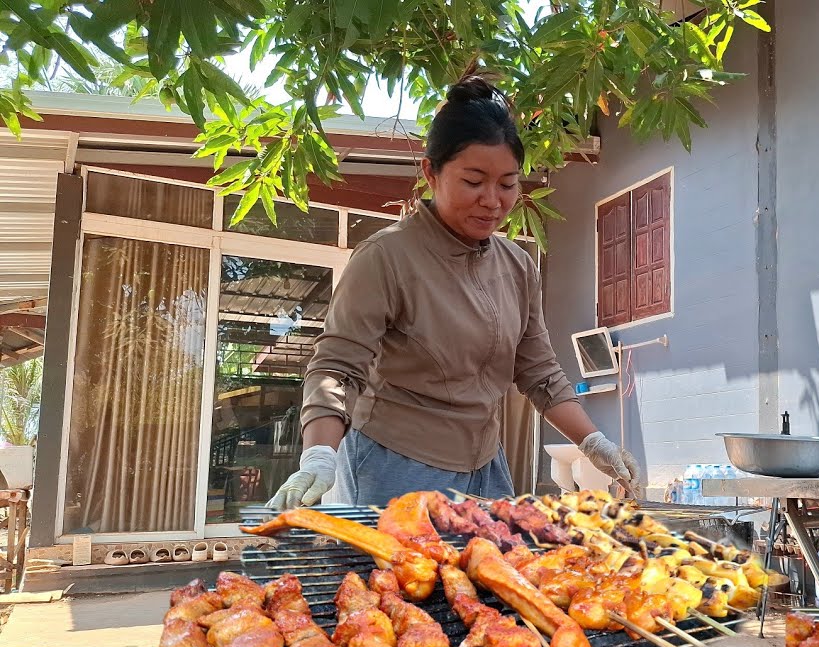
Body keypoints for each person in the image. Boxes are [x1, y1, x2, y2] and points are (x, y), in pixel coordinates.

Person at [266, 71, 637, 510]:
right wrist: (319, 456)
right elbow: (336, 369)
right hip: (394, 465)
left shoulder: (517, 266)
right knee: (399, 580)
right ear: (431, 172)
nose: (492, 200)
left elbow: (539, 372)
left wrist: (594, 442)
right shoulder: (386, 257)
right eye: (473, 181)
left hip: (487, 466)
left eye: (507, 184)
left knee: (487, 576)